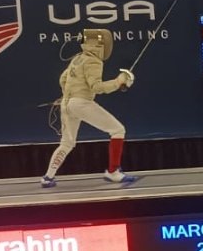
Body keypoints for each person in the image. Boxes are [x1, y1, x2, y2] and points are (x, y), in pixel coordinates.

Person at [41, 28, 136, 188]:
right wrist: (119, 81)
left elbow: (63, 78)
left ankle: (47, 177)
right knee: (118, 130)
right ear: (100, 45)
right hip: (81, 103)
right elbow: (97, 87)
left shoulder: (78, 58)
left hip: (67, 104)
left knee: (67, 143)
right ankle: (113, 172)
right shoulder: (93, 61)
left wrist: (67, 95)